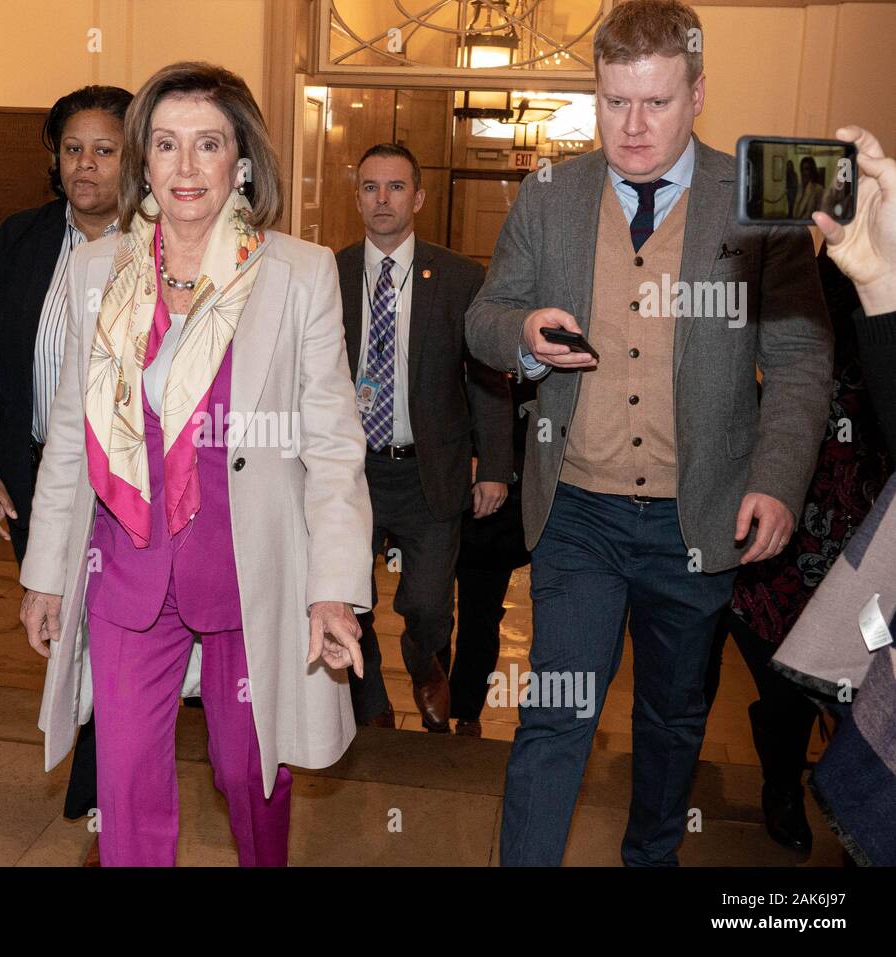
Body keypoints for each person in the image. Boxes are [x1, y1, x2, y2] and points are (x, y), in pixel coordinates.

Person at [464, 0, 833, 866]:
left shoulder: (761, 198)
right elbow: (483, 316)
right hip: (579, 513)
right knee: (557, 713)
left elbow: (802, 357)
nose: (631, 127)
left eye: (656, 104)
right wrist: (520, 335)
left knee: (671, 723)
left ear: (698, 94)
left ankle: (651, 859)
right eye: (613, 102)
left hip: (692, 520)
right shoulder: (549, 194)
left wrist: (776, 479)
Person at [18, 61, 372, 866]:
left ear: (240, 162)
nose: (185, 167)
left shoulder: (297, 273)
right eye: (167, 145)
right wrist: (44, 570)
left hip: (247, 568)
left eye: (207, 145)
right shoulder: (95, 272)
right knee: (128, 783)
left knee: (249, 769)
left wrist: (335, 587)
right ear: (143, 159)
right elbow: (71, 432)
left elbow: (331, 443)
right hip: (127, 566)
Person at [0, 84, 131, 835]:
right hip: (34, 480)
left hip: (123, 487)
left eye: (104, 150)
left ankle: (103, 781)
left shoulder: (159, 248)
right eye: (72, 149)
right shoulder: (18, 240)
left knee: (114, 631)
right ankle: (98, 754)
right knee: (63, 628)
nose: (85, 166)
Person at [705, 246, 890, 854]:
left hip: (873, 530)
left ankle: (849, 795)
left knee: (865, 678)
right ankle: (783, 783)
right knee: (786, 674)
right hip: (796, 513)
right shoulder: (822, 291)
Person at [335, 143, 512, 731]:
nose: (381, 199)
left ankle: (425, 661)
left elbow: (487, 375)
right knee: (348, 592)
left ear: (419, 196)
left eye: (394, 187)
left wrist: (492, 466)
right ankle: (369, 701)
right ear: (357, 195)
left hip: (429, 471)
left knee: (429, 603)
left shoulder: (460, 276)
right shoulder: (328, 274)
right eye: (369, 187)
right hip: (350, 472)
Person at [771, 125, 896, 866]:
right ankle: (781, 780)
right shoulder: (809, 267)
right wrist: (878, 284)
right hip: (814, 484)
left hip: (859, 489)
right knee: (791, 658)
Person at [445, 376, 534, 737]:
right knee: (430, 612)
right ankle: (434, 696)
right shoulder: (458, 343)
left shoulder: (533, 370)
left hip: (497, 516)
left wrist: (498, 468)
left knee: (479, 616)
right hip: (439, 498)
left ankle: (464, 711)